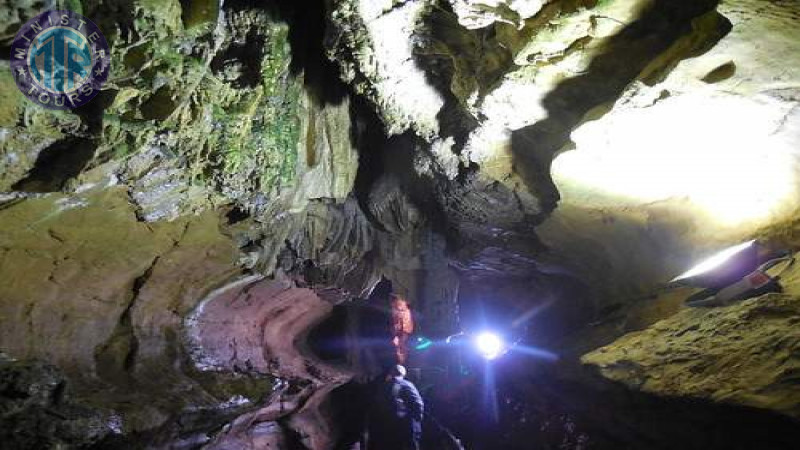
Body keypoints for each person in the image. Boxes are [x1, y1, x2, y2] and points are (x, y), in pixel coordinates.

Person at [368, 365, 424, 450]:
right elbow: (417, 402)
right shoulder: (406, 384)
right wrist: (417, 418)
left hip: (389, 426)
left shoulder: (383, 386)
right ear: (403, 374)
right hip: (408, 424)